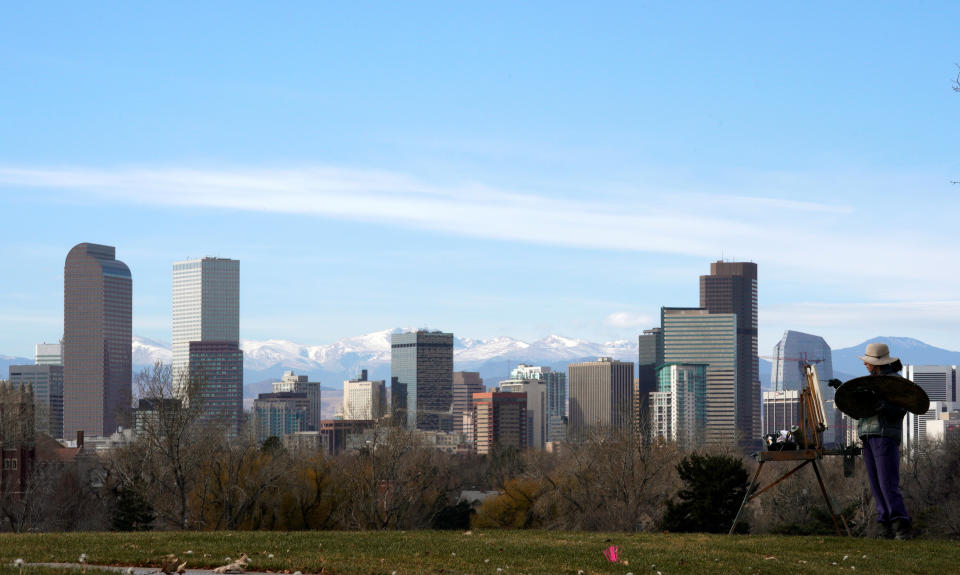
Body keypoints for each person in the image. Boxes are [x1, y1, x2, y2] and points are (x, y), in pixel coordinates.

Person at [856, 342, 912, 540]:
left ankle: (901, 525)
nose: (865, 365)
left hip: (884, 435)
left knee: (887, 482)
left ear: (877, 363)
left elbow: (902, 407)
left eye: (868, 361)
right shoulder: (871, 381)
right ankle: (885, 526)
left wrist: (884, 406)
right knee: (876, 484)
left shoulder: (894, 382)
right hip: (869, 436)